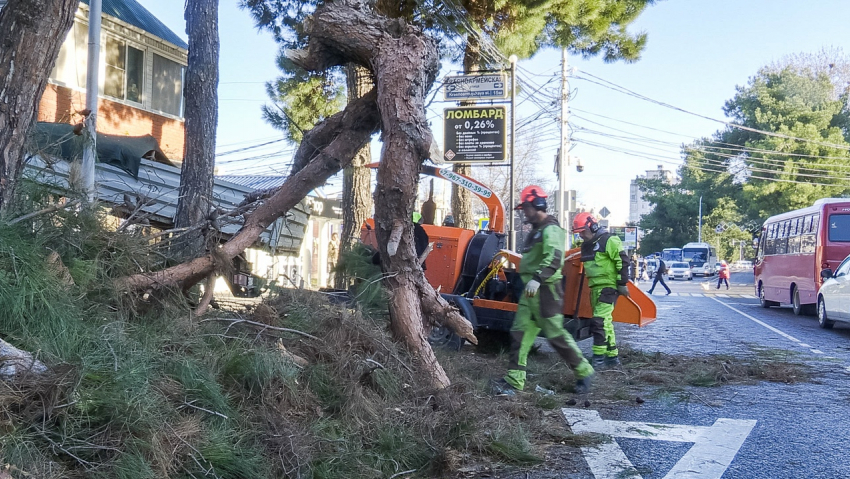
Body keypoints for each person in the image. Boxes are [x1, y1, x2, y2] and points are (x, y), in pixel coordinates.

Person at [492, 185, 594, 396]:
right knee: (519, 334)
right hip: (531, 291)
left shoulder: (551, 229)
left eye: (526, 208)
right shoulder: (537, 231)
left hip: (546, 290)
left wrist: (538, 279)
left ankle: (584, 371)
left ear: (537, 205)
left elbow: (555, 258)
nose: (524, 212)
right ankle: (514, 380)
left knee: (555, 335)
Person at [574, 212, 630, 368]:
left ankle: (598, 358)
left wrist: (622, 283)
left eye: (582, 231)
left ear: (592, 226)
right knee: (606, 323)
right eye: (578, 232)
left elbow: (623, 261)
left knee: (598, 321)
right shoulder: (586, 245)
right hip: (595, 288)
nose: (580, 235)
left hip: (609, 288)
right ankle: (612, 357)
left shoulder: (609, 240)